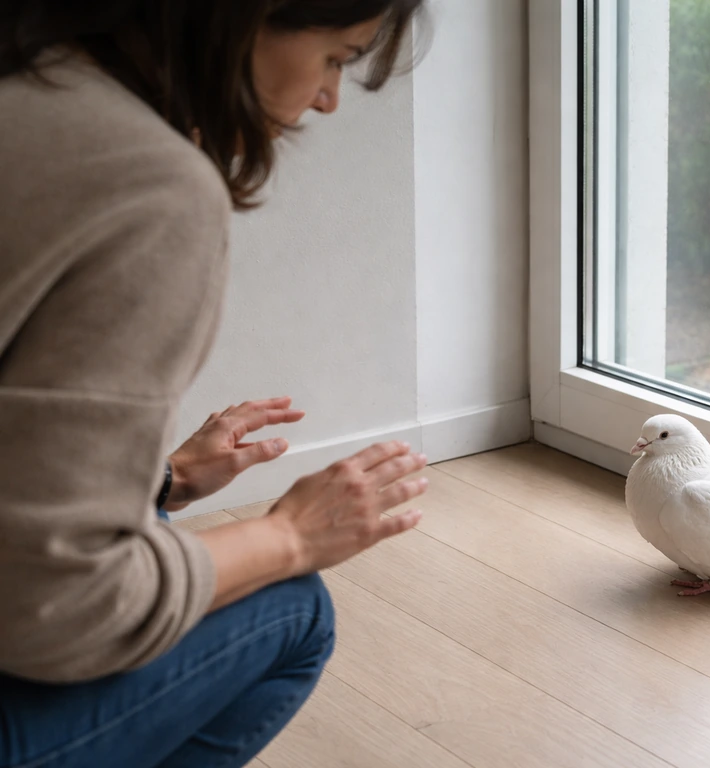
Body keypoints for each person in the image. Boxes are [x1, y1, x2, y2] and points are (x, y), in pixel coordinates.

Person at [0, 2, 428, 766]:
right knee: (293, 608)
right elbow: (61, 613)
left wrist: (160, 481)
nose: (330, 98)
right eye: (337, 56)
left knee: (157, 531)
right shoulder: (149, 185)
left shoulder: (30, 80)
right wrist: (289, 534)